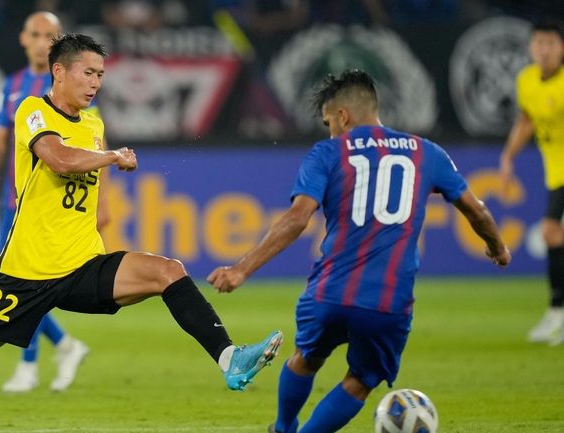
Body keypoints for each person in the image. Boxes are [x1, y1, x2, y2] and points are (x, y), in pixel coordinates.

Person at [0, 33, 283, 433]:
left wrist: (104, 209)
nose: (95, 83)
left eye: (100, 75)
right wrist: (110, 157)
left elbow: (87, 186)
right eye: (87, 73)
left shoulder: (93, 123)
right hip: (26, 274)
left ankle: (229, 360)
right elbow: (58, 159)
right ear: (59, 72)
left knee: (168, 270)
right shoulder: (32, 110)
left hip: (82, 265)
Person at [208, 69, 510, 433]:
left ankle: (284, 427)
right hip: (389, 300)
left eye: (327, 122)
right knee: (361, 380)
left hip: (330, 292)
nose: (329, 131)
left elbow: (298, 217)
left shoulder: (328, 153)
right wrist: (498, 247)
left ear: (342, 116)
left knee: (306, 358)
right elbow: (477, 210)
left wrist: (243, 268)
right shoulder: (427, 153)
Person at [0, 11, 100, 393]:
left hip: (51, 205)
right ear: (23, 38)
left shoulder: (69, 88)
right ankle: (62, 345)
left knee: (22, 284)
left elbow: (90, 148)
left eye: (51, 34)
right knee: (13, 283)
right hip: (17, 203)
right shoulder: (12, 85)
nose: (42, 40)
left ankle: (32, 365)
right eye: (36, 33)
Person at [500, 19, 564, 346]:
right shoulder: (527, 81)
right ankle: (556, 313)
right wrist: (509, 157)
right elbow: (527, 121)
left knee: (552, 230)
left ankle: (557, 312)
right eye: (539, 43)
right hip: (556, 172)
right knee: (552, 232)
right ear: (531, 47)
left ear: (561, 47)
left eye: (551, 43)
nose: (545, 49)